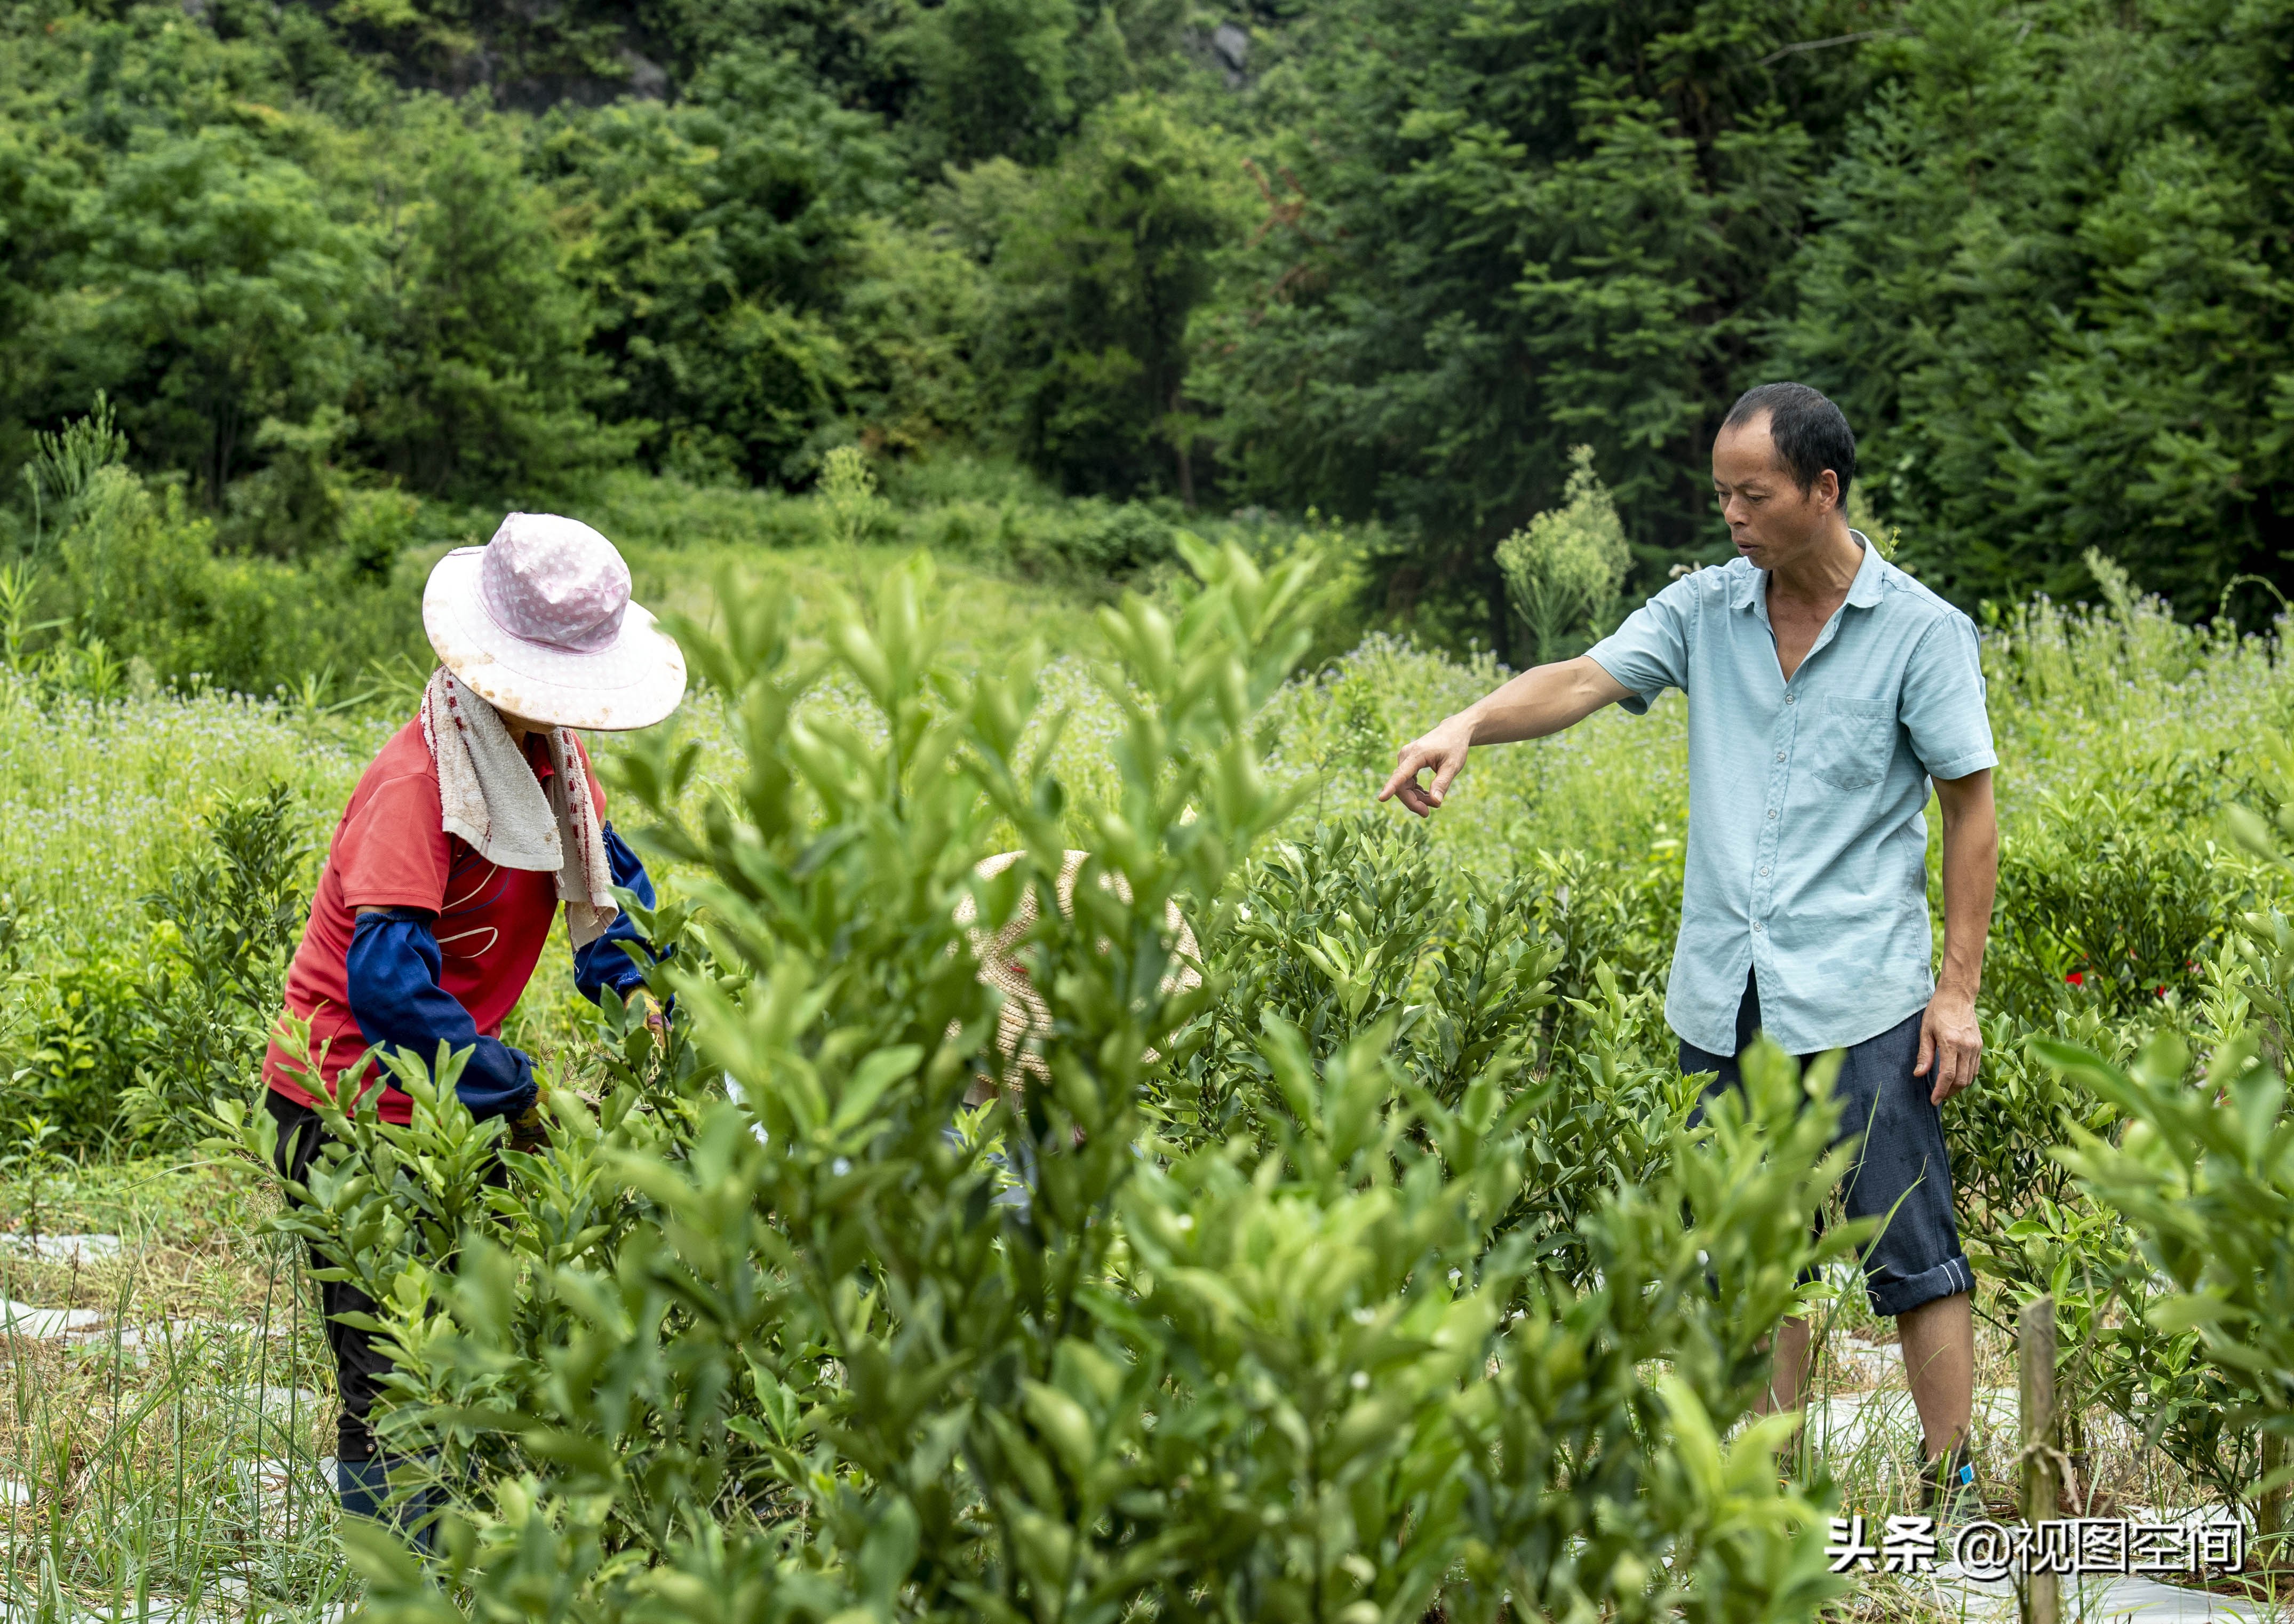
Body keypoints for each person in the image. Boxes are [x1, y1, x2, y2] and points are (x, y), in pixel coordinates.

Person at [1380, 383, 1997, 1515]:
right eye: (1720, 494)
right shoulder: (1704, 610)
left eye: (1752, 494)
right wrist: (1466, 721)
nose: (1731, 515)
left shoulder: (1919, 631)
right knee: (1748, 1252)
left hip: (1864, 993)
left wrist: (1955, 993)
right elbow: (1579, 678)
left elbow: (1971, 813)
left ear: (1823, 489)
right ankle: (1758, 1491)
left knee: (1912, 1246)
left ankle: (1953, 1486)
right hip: (1726, 993)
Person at [262, 512, 687, 1524]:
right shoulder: (419, 783)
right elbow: (387, 988)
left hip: (454, 1097)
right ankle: (392, 1573)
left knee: (470, 1340)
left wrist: (641, 992)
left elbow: (608, 899)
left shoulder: (554, 772)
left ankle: (458, 1552)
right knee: (390, 1368)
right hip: (347, 1105)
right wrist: (521, 1093)